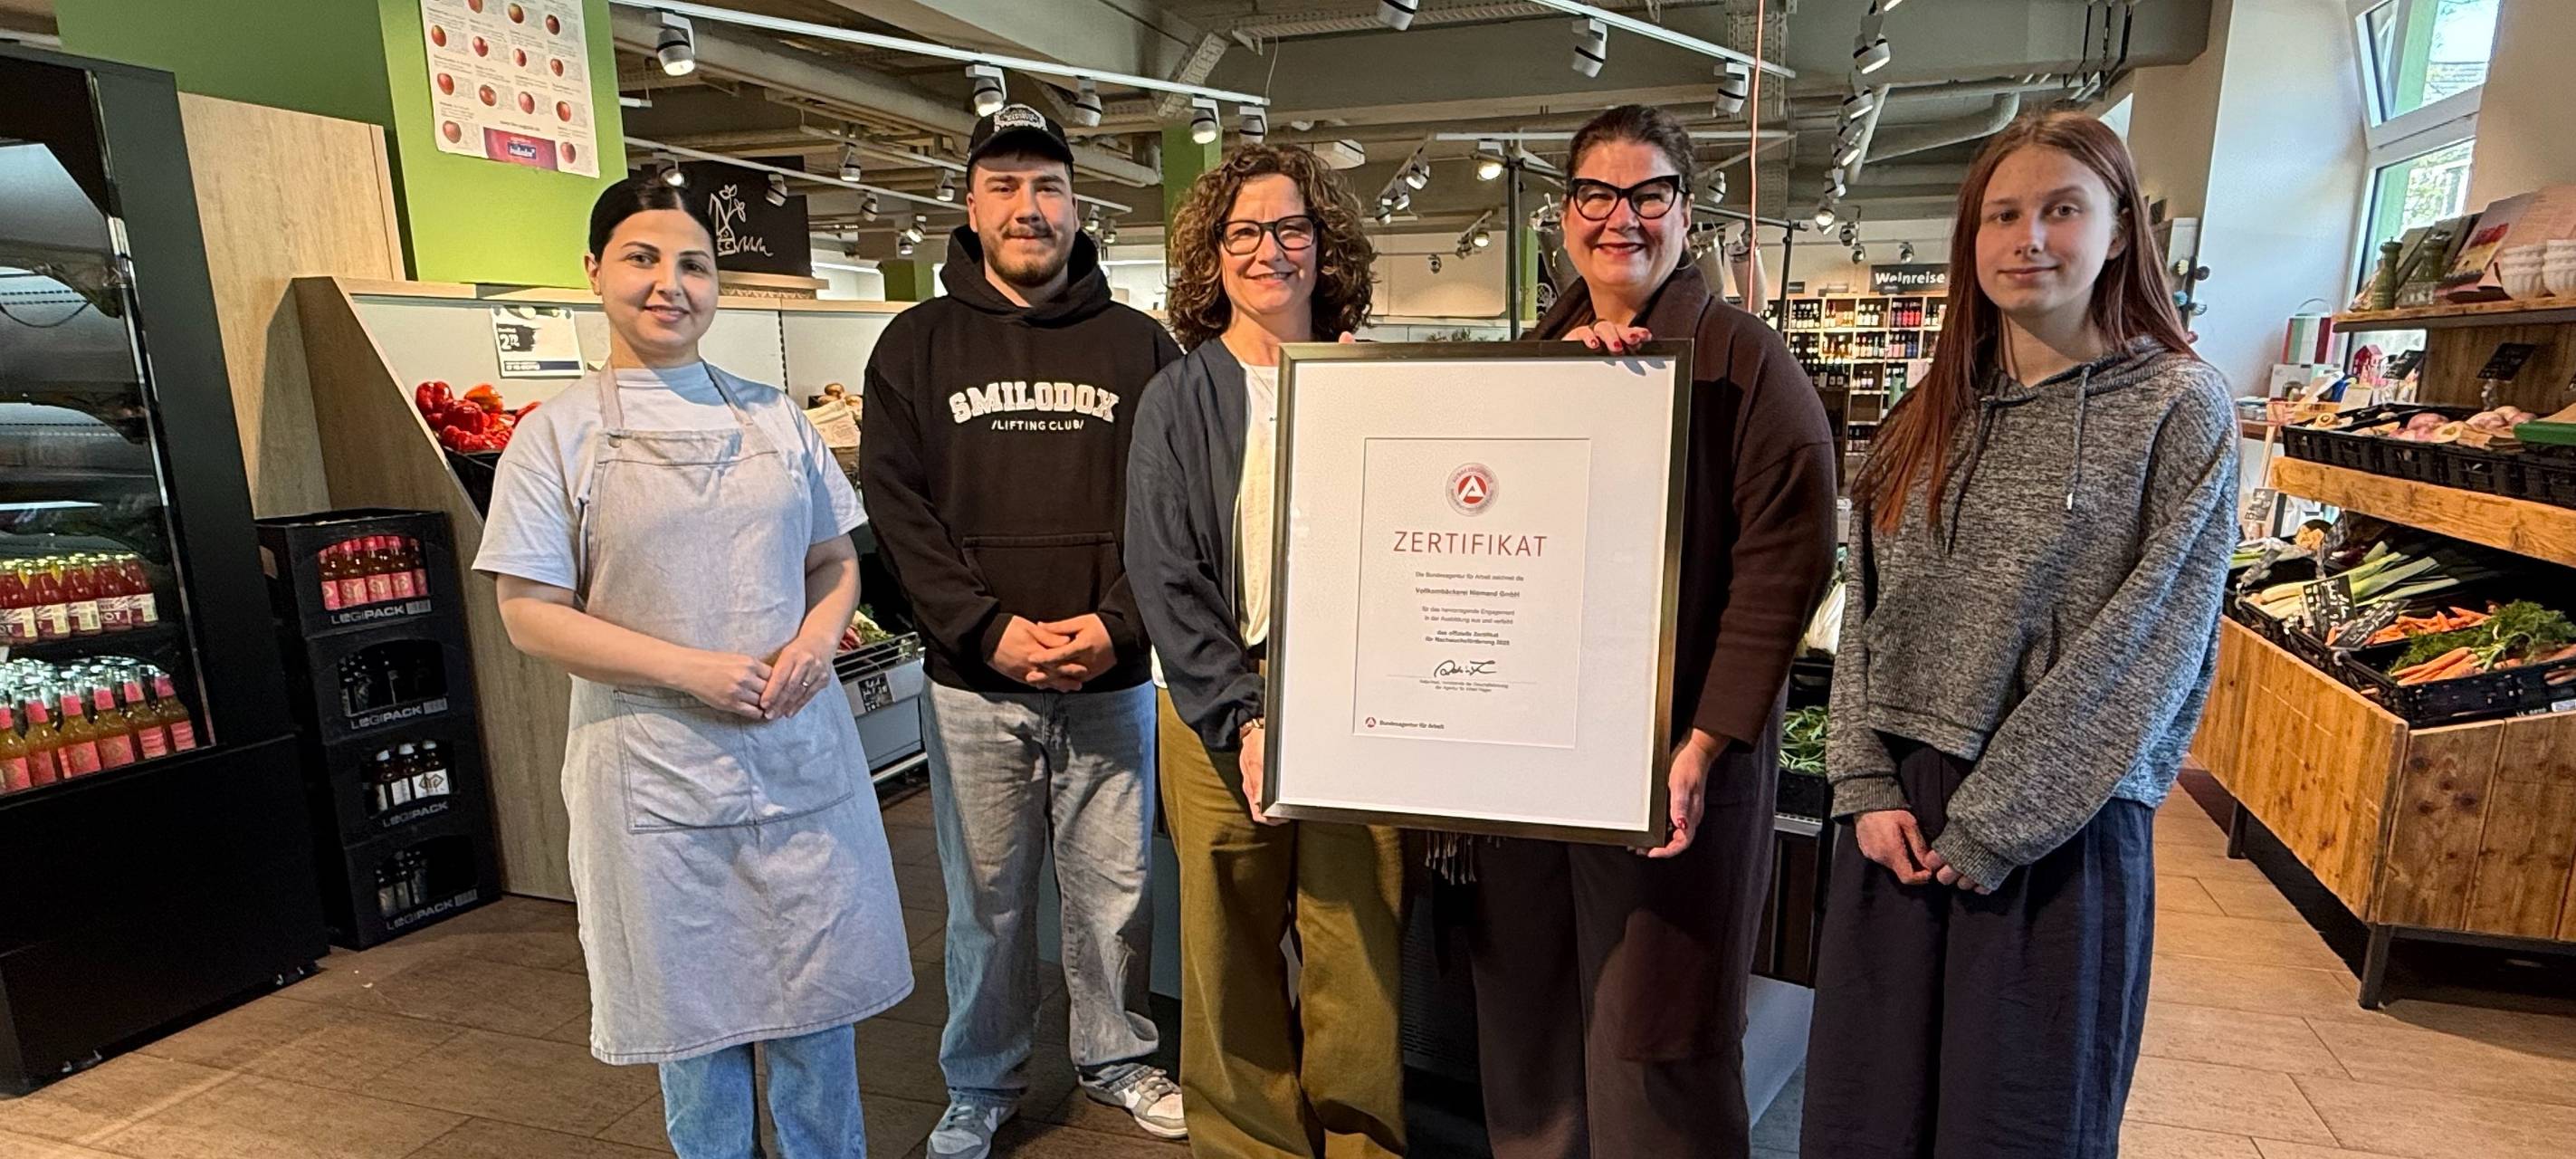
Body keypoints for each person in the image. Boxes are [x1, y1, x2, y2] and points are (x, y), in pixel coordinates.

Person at [1801, 110, 2235, 1159]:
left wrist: (1999, 822)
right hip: (1896, 819)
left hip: (2059, 829)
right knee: (1867, 1116)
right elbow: (1866, 607)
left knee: (2017, 1120)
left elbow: (2149, 646)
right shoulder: (1927, 411)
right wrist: (1858, 783)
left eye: (2059, 210)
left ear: (2118, 229)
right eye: (2002, 214)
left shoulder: (2179, 408)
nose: (2026, 238)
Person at [476, 178, 911, 1159]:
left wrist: (811, 643)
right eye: (641, 258)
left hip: (794, 749)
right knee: (697, 1023)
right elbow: (531, 616)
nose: (668, 283)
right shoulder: (555, 435)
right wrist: (692, 670)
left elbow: (834, 559)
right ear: (593, 271)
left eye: (693, 265)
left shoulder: (774, 418)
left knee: (815, 1007)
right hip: (652, 769)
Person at [1470, 103, 1839, 1158]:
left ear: (1685, 211)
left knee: (1656, 1042)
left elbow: (1782, 567)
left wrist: (1704, 741)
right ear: (1564, 212)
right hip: (1528, 765)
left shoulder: (1743, 361)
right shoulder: (1531, 356)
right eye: (1596, 194)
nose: (1619, 218)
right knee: (1530, 1022)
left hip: (1670, 767)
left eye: (1647, 194)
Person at [858, 104, 1185, 1159]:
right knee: (985, 903)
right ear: (969, 204)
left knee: (1114, 894)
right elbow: (897, 511)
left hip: (1108, 677)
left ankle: (1118, 1057)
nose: (1025, 206)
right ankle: (980, 1079)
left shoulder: (1141, 344)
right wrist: (986, 629)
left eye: (1044, 185)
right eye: (1002, 186)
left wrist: (1119, 624)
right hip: (971, 681)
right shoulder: (912, 344)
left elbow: (1173, 508)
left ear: (1076, 204)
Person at [1125, 145, 1406, 1158]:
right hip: (1212, 694)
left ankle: (1363, 1138)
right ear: (1212, 251)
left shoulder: (1375, 382)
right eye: (1243, 231)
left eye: (1291, 228)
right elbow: (1162, 569)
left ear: (1323, 245)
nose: (1268, 250)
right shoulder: (1178, 396)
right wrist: (1237, 717)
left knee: (1355, 938)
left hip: (1356, 696)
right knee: (1225, 942)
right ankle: (1249, 1142)